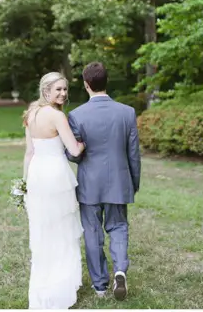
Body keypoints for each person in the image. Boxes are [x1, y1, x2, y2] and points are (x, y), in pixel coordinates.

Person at [66, 62, 141, 301]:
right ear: (106, 82)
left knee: (92, 232)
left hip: (89, 184)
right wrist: (133, 182)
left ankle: (100, 285)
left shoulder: (77, 115)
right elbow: (133, 154)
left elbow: (73, 153)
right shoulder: (127, 112)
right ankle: (119, 270)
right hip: (119, 181)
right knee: (118, 227)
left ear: (86, 85)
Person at [22, 72, 85, 309]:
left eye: (65, 89)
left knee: (44, 227)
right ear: (45, 91)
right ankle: (60, 285)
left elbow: (30, 153)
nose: (63, 94)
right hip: (56, 176)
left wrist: (25, 182)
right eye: (58, 89)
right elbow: (75, 150)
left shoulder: (31, 113)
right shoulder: (57, 116)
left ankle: (46, 281)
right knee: (60, 229)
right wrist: (84, 143)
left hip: (38, 174)